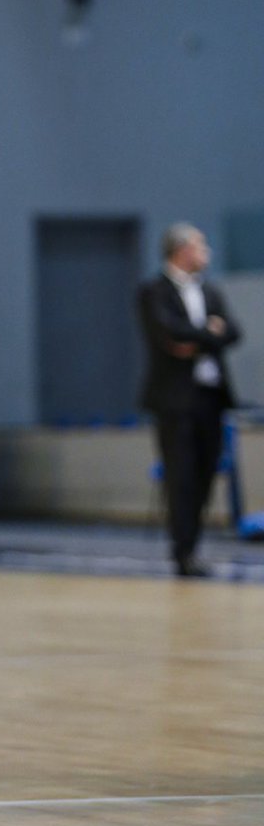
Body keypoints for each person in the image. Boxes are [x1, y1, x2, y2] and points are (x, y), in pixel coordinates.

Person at [138, 223, 241, 578]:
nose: (206, 252)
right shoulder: (153, 291)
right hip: (174, 401)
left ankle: (194, 547)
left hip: (211, 398)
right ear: (182, 251)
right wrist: (208, 333)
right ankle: (183, 553)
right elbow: (168, 334)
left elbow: (233, 332)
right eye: (201, 246)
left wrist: (195, 342)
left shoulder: (209, 291)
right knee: (181, 476)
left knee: (206, 473)